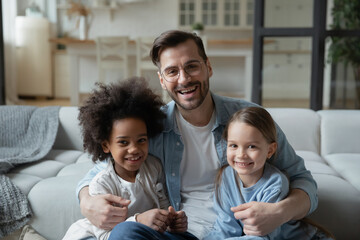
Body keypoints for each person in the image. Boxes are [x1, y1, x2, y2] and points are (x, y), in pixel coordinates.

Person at [77, 30, 318, 239]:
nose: (184, 79)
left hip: (238, 233)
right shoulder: (152, 126)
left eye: (191, 66)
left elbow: (303, 180)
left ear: (208, 67)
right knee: (124, 234)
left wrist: (279, 212)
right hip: (181, 233)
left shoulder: (248, 118)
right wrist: (88, 203)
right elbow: (99, 171)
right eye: (172, 71)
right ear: (162, 80)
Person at [63, 77, 195, 240]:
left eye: (141, 140)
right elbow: (107, 236)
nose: (134, 149)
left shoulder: (154, 167)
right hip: (110, 236)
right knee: (125, 233)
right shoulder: (102, 184)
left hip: (147, 235)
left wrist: (172, 221)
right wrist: (138, 220)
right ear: (106, 146)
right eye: (123, 142)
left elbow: (163, 208)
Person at [204, 107, 333, 240]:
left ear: (270, 150)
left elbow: (263, 237)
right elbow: (226, 226)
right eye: (233, 145)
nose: (241, 155)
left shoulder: (275, 182)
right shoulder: (226, 176)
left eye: (251, 146)